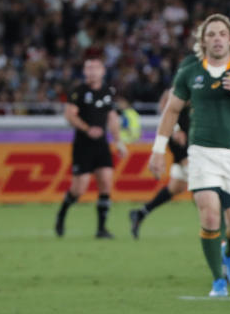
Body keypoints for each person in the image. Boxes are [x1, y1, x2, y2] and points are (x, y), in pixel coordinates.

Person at [148, 13, 230, 297]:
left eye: (222, 34)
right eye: (211, 34)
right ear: (202, 41)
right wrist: (157, 150)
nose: (217, 39)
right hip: (201, 153)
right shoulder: (190, 70)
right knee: (211, 216)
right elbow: (172, 111)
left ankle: (229, 254)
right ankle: (218, 280)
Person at [56, 56, 127, 238]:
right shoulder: (78, 91)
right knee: (79, 189)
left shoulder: (107, 91)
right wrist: (87, 129)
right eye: (89, 68)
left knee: (105, 183)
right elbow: (69, 115)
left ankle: (101, 229)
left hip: (102, 145)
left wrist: (118, 142)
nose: (92, 71)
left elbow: (112, 118)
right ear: (84, 71)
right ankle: (62, 213)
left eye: (96, 67)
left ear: (103, 71)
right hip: (83, 145)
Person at [129, 90, 190, 239]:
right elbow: (165, 104)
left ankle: (141, 213)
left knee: (177, 186)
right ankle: (216, 226)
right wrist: (175, 129)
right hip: (179, 138)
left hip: (191, 136)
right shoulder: (184, 80)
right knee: (201, 181)